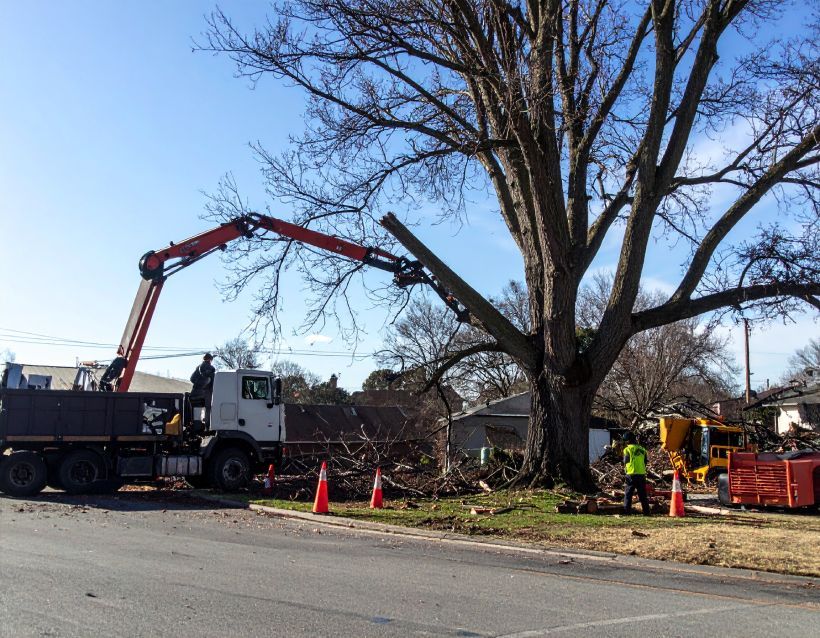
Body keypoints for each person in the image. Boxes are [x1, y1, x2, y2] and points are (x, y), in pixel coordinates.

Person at [622, 431, 651, 516]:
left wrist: (625, 471)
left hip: (631, 474)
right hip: (641, 474)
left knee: (628, 494)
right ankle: (646, 512)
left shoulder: (627, 449)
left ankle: (627, 512)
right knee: (643, 495)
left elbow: (625, 461)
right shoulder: (643, 449)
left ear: (628, 440)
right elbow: (645, 462)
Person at [190, 353, 216, 421]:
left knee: (197, 413)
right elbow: (210, 378)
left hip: (196, 392)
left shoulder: (199, 367)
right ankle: (206, 426)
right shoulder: (209, 368)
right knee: (208, 408)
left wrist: (198, 384)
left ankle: (199, 425)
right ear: (210, 360)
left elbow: (192, 379)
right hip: (205, 392)